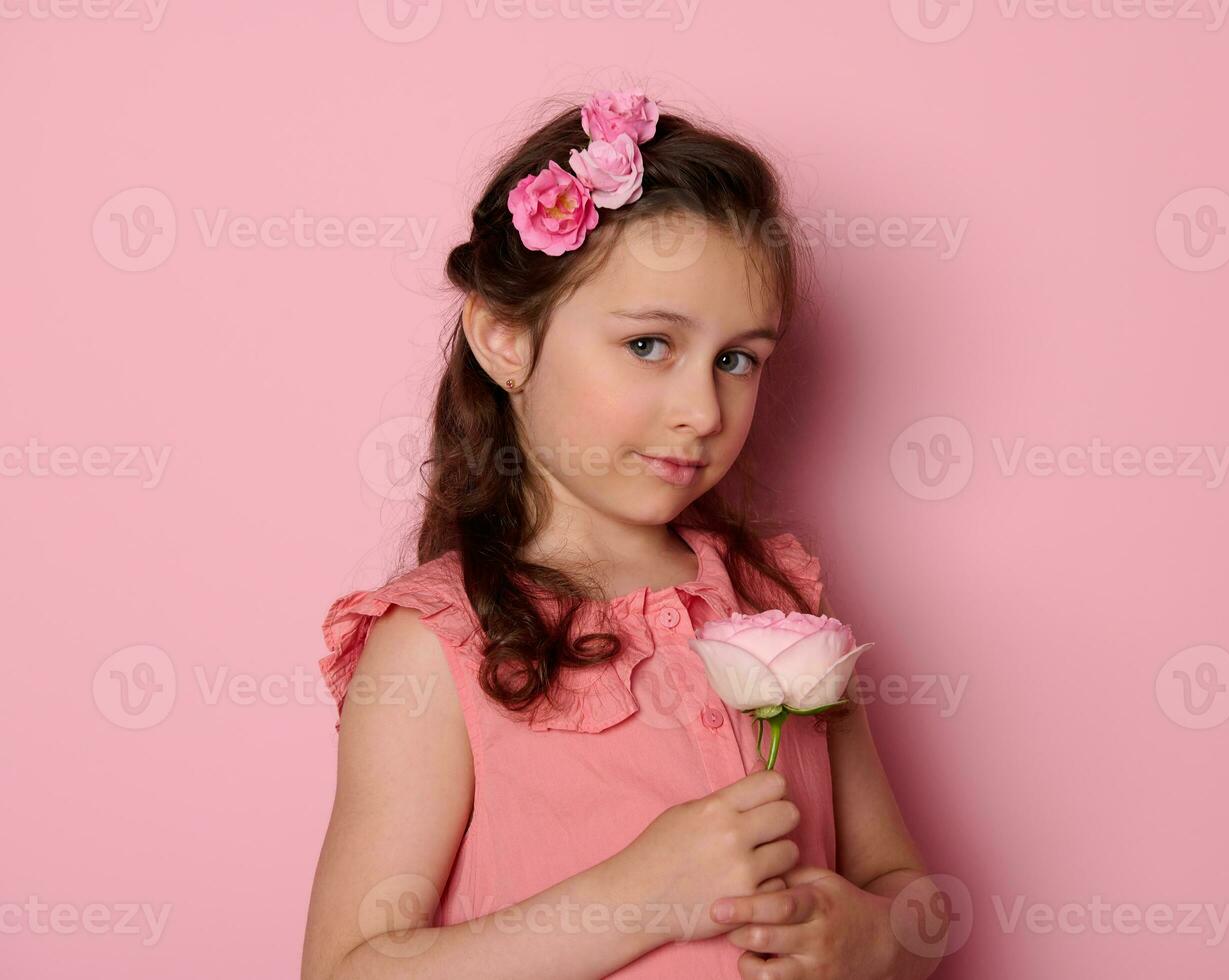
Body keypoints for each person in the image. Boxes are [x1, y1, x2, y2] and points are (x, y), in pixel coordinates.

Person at [301, 88, 942, 979]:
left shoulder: (780, 603)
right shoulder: (434, 645)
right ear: (504, 339)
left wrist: (878, 936)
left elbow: (907, 888)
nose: (699, 409)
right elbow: (348, 970)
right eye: (648, 345)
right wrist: (638, 897)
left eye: (736, 360)